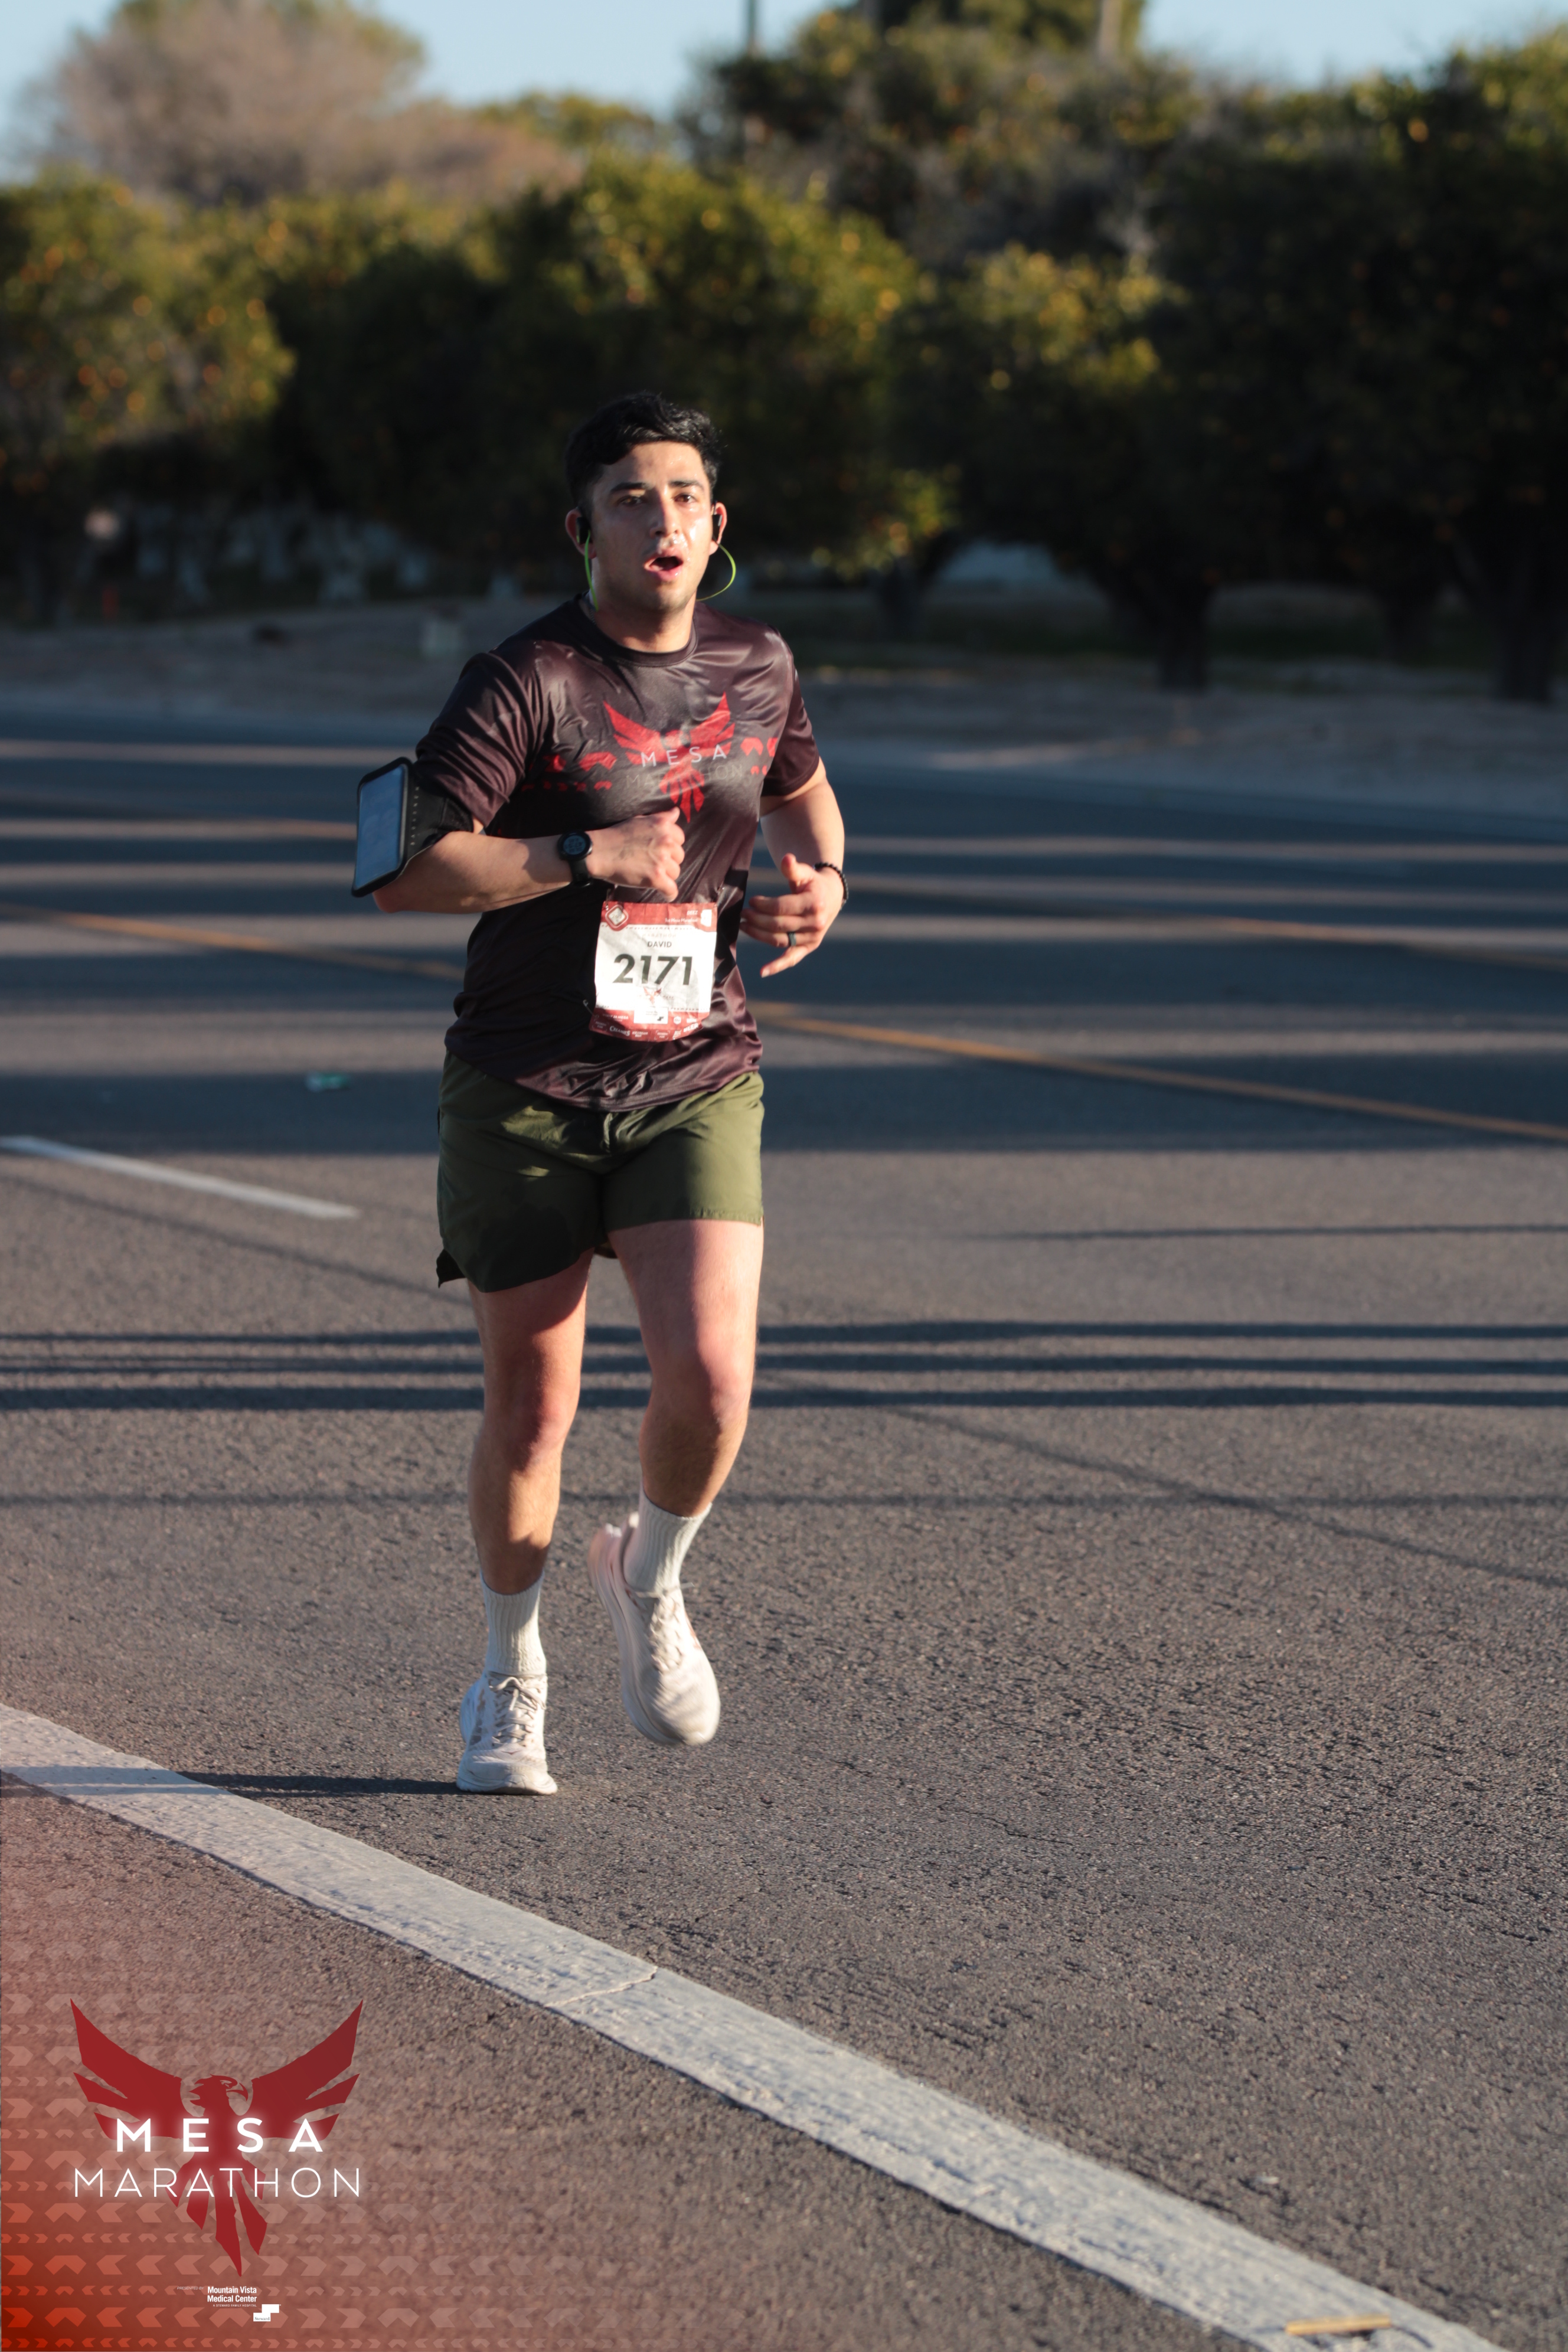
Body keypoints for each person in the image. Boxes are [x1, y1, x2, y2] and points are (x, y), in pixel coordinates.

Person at [374, 389, 847, 1793]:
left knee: (711, 1379)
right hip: (523, 1081)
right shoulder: (523, 681)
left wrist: (820, 888)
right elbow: (407, 869)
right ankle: (508, 1672)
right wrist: (579, 858)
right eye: (631, 498)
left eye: (684, 496)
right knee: (534, 1410)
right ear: (581, 529)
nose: (662, 520)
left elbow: (806, 805)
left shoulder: (758, 664)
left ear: (717, 523)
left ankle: (647, 1572)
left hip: (693, 1067)